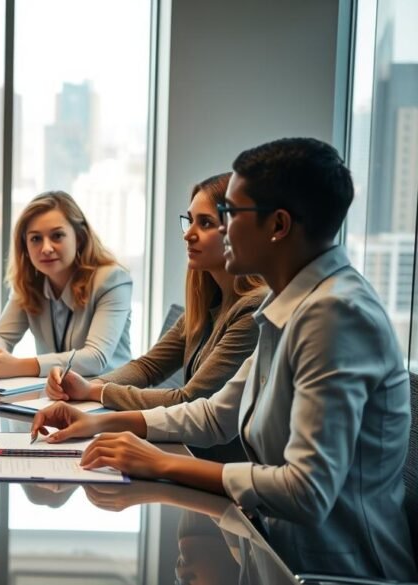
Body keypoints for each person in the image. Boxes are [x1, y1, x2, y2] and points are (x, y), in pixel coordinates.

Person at [31, 138, 416, 580]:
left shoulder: (335, 316)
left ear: (278, 225)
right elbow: (216, 416)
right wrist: (100, 422)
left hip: (339, 573)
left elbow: (306, 491)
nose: (219, 229)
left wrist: (162, 463)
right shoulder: (289, 303)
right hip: (279, 555)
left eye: (229, 215)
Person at [46, 173, 266, 410]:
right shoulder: (209, 302)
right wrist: (89, 385)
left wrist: (94, 391)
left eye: (205, 223)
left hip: (204, 447)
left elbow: (190, 400)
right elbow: (147, 367)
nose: (188, 234)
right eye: (189, 221)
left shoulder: (254, 309)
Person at [0, 191, 132, 379]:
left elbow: (95, 358)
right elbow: (1, 336)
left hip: (109, 397)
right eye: (35, 239)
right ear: (25, 246)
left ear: (80, 237)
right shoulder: (29, 283)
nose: (46, 248)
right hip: (57, 397)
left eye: (57, 236)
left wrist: (18, 366)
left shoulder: (112, 280)